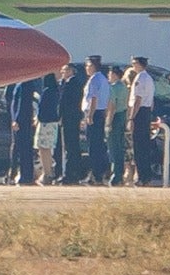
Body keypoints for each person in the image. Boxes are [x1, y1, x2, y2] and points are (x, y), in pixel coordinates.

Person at [81, 56, 112, 184]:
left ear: (93, 66)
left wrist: (90, 115)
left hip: (94, 113)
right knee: (98, 144)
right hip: (100, 113)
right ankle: (99, 173)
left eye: (88, 65)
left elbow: (93, 98)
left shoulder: (94, 79)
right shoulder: (103, 79)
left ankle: (95, 174)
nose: (86, 68)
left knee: (93, 145)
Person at [128, 56, 157, 184]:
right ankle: (146, 175)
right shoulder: (149, 78)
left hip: (140, 113)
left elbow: (138, 99)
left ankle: (142, 176)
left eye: (134, 63)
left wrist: (131, 117)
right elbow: (152, 101)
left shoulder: (140, 78)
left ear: (139, 64)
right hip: (146, 112)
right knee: (144, 145)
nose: (133, 66)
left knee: (139, 147)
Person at [56, 61, 87, 184]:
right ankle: (73, 172)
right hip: (71, 118)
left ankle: (69, 174)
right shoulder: (71, 83)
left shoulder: (71, 84)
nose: (62, 73)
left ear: (70, 71)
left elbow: (64, 102)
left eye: (64, 71)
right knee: (71, 146)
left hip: (70, 118)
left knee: (69, 147)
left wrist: (60, 116)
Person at [4, 81, 35, 186]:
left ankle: (25, 175)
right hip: (19, 120)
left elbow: (22, 103)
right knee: (19, 148)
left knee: (23, 148)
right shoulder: (19, 84)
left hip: (22, 121)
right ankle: (18, 173)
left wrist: (16, 120)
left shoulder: (25, 84)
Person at [34, 71, 61, 185]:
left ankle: (47, 173)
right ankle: (49, 171)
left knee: (43, 148)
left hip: (45, 123)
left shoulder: (46, 92)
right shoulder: (56, 92)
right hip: (53, 123)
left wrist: (38, 118)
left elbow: (41, 108)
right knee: (49, 149)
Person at [107, 66, 130, 187]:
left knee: (113, 146)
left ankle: (116, 174)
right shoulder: (124, 87)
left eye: (110, 74)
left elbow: (112, 106)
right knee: (120, 146)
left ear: (115, 75)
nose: (108, 77)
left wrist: (108, 122)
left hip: (115, 117)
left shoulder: (114, 87)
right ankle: (119, 172)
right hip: (123, 116)